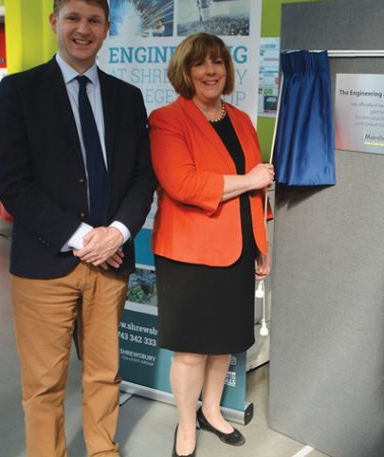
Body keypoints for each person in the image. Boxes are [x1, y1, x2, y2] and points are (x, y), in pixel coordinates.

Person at [0, 0, 156, 457]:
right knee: (44, 385)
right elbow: (14, 185)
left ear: (106, 30)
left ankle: (103, 450)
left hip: (111, 264)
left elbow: (143, 178)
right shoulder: (20, 92)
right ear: (54, 22)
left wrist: (119, 232)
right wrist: (87, 237)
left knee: (105, 373)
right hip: (45, 266)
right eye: (73, 18)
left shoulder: (127, 98)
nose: (83, 29)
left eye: (94, 21)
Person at [148, 32, 273, 457]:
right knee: (191, 350)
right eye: (200, 63)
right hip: (189, 253)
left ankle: (213, 411)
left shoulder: (240, 119)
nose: (210, 71)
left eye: (218, 62)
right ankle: (186, 425)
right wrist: (251, 179)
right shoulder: (167, 119)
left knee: (224, 343)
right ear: (185, 71)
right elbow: (183, 184)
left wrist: (261, 242)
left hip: (238, 249)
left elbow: (257, 193)